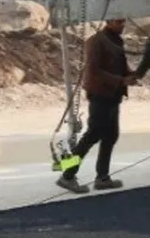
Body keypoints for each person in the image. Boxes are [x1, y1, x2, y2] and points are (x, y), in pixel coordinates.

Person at [55, 17, 136, 193]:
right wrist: (121, 80)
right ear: (109, 21)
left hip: (113, 95)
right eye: (119, 22)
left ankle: (102, 177)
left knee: (111, 135)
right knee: (91, 136)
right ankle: (67, 175)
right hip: (101, 95)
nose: (123, 25)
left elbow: (120, 67)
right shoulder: (97, 41)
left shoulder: (115, 40)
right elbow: (94, 71)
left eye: (124, 22)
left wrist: (131, 74)